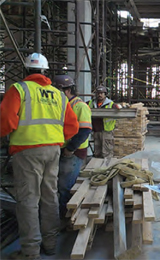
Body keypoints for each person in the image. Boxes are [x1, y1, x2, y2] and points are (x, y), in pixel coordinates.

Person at [0, 53, 79, 260]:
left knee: (28, 200)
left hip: (27, 150)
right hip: (53, 150)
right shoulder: (58, 94)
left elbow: (6, 120)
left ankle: (30, 252)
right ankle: (50, 244)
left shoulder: (19, 89)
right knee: (49, 196)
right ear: (45, 72)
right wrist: (58, 140)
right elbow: (72, 126)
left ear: (26, 70)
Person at [52, 75, 92, 219]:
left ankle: (66, 216)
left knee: (65, 186)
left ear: (67, 90)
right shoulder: (62, 104)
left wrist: (71, 149)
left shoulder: (80, 106)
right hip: (63, 149)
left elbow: (85, 130)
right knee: (61, 184)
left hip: (74, 152)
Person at [87, 84, 120, 158]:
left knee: (107, 152)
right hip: (96, 131)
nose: (100, 95)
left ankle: (106, 167)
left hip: (106, 131)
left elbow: (119, 110)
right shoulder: (91, 103)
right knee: (97, 152)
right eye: (98, 93)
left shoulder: (111, 104)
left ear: (105, 94)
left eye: (101, 93)